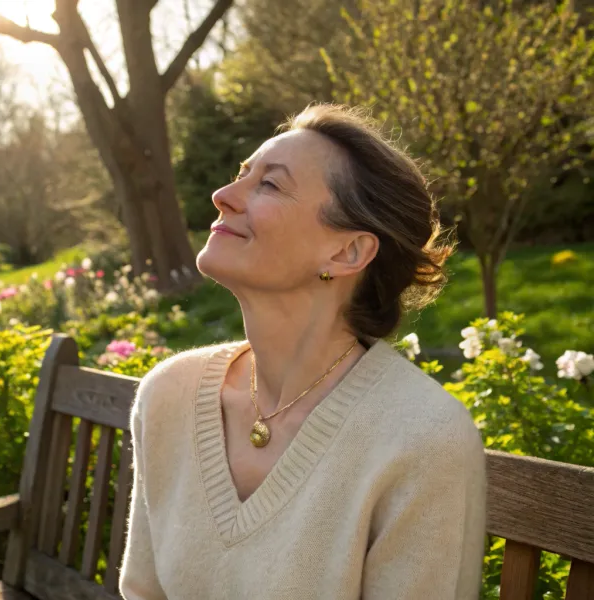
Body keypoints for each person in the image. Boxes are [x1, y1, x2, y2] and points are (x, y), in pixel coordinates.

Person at [118, 104, 487, 600]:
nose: (222, 196)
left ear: (347, 253)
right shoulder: (169, 393)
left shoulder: (423, 438)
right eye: (241, 175)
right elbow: (143, 593)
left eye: (269, 185)